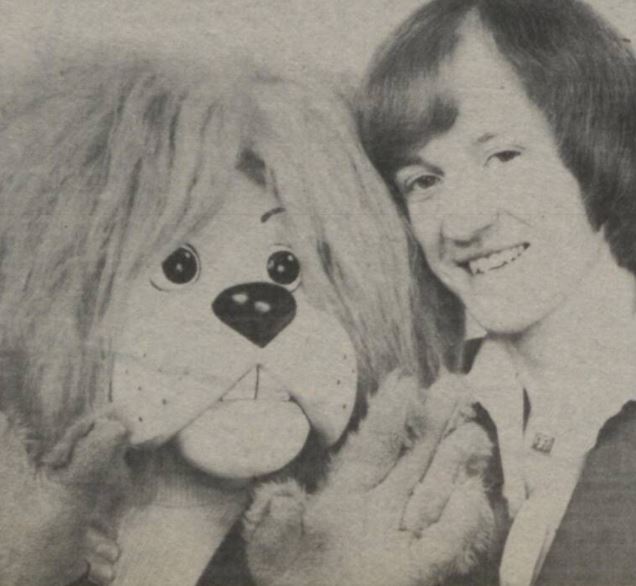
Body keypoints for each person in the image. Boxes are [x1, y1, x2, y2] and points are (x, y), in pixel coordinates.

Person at [357, 0, 636, 584]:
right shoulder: (421, 413)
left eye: (503, 156)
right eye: (424, 180)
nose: (463, 223)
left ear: (599, 143)